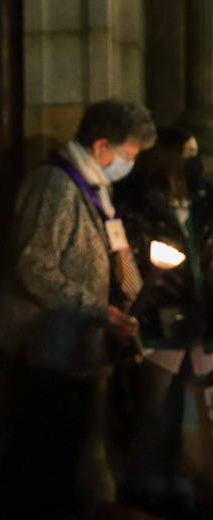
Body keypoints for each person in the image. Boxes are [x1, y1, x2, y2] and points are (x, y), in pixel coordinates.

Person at [0, 99, 156, 518]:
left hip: (75, 350)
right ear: (102, 146)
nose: (129, 165)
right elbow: (35, 267)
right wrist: (97, 308)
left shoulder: (96, 186)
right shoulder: (55, 185)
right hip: (46, 350)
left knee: (78, 457)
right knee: (49, 465)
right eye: (128, 156)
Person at [114, 126, 213, 517]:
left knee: (199, 405)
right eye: (186, 152)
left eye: (197, 152)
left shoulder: (206, 199)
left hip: (203, 315)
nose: (194, 160)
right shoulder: (140, 204)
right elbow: (133, 262)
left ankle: (189, 484)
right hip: (161, 315)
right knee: (157, 409)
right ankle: (153, 487)